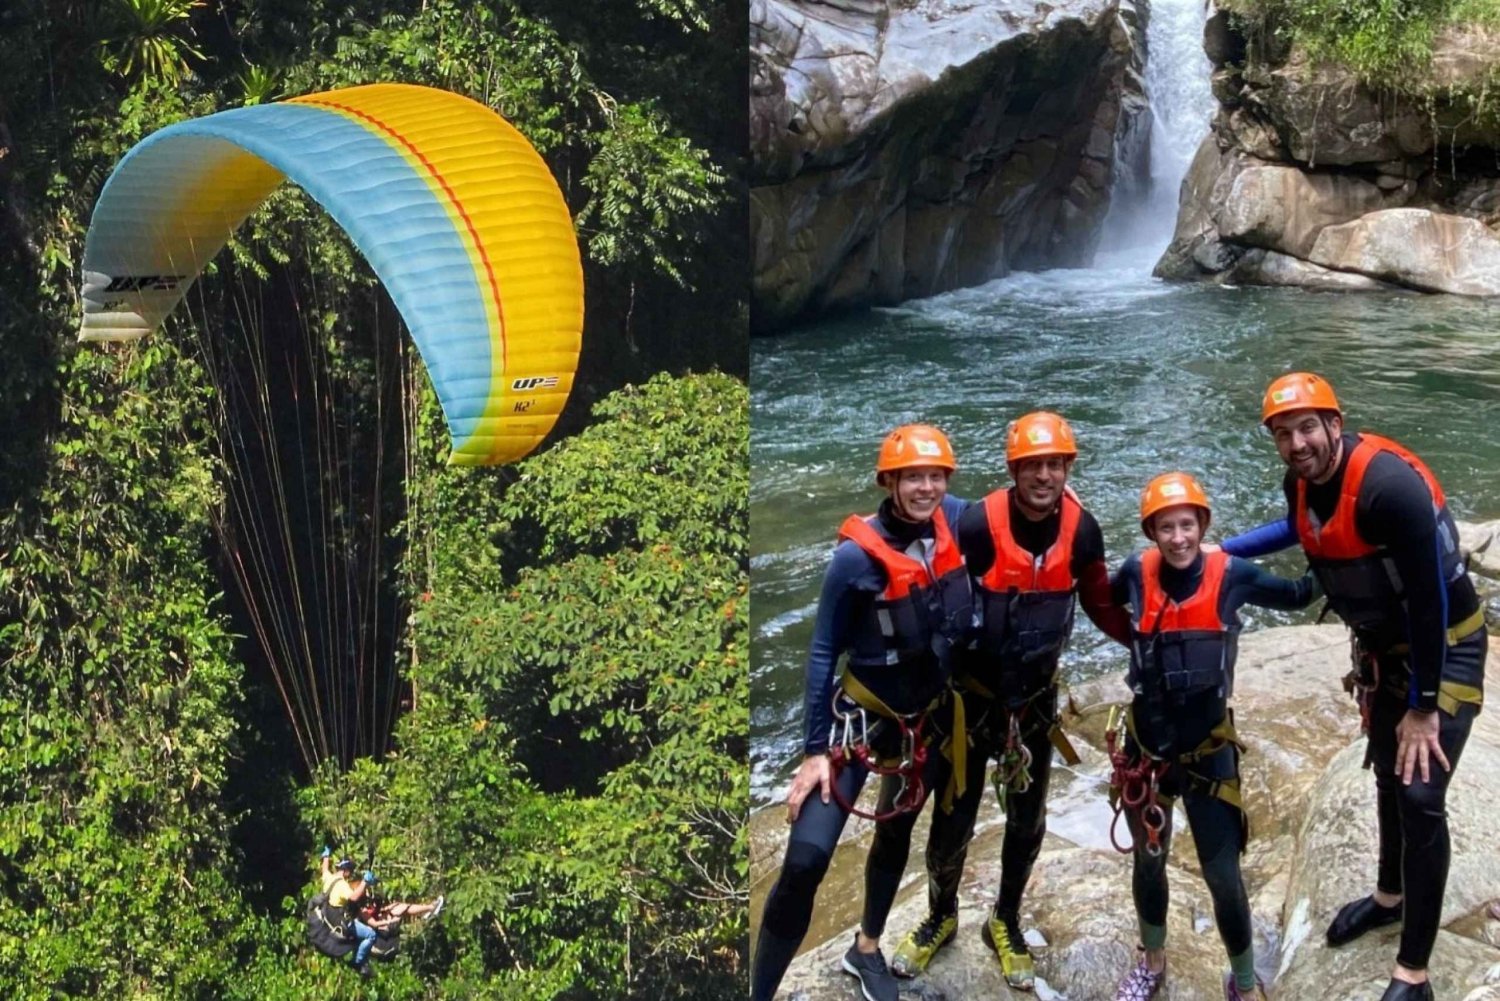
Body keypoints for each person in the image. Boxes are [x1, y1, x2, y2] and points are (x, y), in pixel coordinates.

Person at [1222, 373, 1486, 1001]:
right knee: (1387, 775)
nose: (1297, 443)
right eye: (1283, 434)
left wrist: (1423, 709)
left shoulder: (1388, 488)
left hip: (1446, 646)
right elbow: (1295, 526)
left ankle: (1414, 972)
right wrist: (1213, 552)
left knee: (1420, 791)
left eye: (1308, 427)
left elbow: (1429, 604)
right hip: (1388, 652)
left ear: (1335, 426)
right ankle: (1389, 896)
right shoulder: (1303, 481)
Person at [887, 410, 1132, 989]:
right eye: (1033, 466)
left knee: (1027, 820)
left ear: (1067, 467)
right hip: (969, 702)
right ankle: (940, 916)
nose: (1044, 476)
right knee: (954, 817)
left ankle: (1006, 919)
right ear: (1014, 469)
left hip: (1034, 702)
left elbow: (1098, 602)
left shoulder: (1084, 530)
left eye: (1054, 464)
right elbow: (936, 595)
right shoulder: (976, 525)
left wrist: (1146, 639)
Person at [751, 424, 974, 1001]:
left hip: (921, 721)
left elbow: (1014, 509)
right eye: (913, 478)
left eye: (935, 476)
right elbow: (823, 650)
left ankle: (866, 948)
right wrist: (812, 752)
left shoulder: (952, 519)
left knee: (895, 835)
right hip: (860, 718)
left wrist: (1061, 493)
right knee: (805, 860)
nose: (925, 488)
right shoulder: (854, 558)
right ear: (890, 482)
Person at [1109, 472, 1317, 1001]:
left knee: (1223, 876)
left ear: (1202, 526)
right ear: (1151, 532)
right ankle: (1152, 961)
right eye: (1166, 527)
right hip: (1148, 754)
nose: (1178, 538)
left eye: (1187, 525)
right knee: (1149, 862)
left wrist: (1328, 541)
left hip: (1208, 754)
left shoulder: (1234, 575)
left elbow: (1297, 595)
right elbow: (1102, 598)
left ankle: (1244, 984)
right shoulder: (1136, 571)